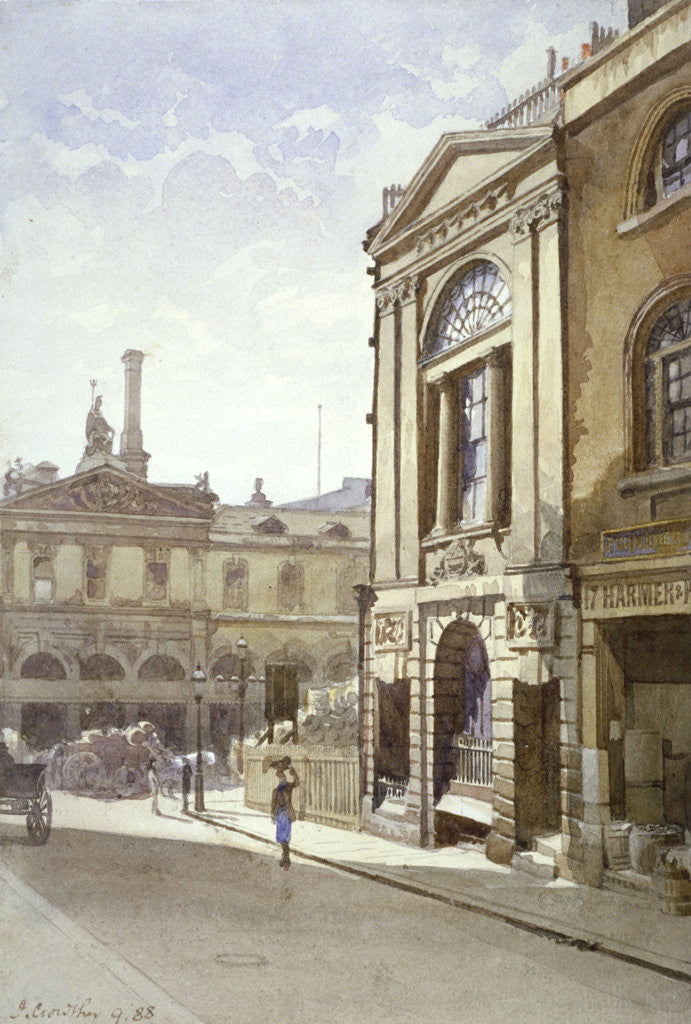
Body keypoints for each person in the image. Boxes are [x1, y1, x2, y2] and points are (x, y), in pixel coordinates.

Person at [270, 757, 300, 869]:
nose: (281, 778)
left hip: (286, 814)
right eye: (280, 777)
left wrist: (294, 773)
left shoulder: (288, 787)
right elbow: (273, 804)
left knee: (285, 837)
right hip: (279, 815)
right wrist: (272, 815)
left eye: (283, 776)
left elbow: (297, 782)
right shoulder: (276, 790)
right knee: (281, 838)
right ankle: (285, 857)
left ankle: (286, 859)